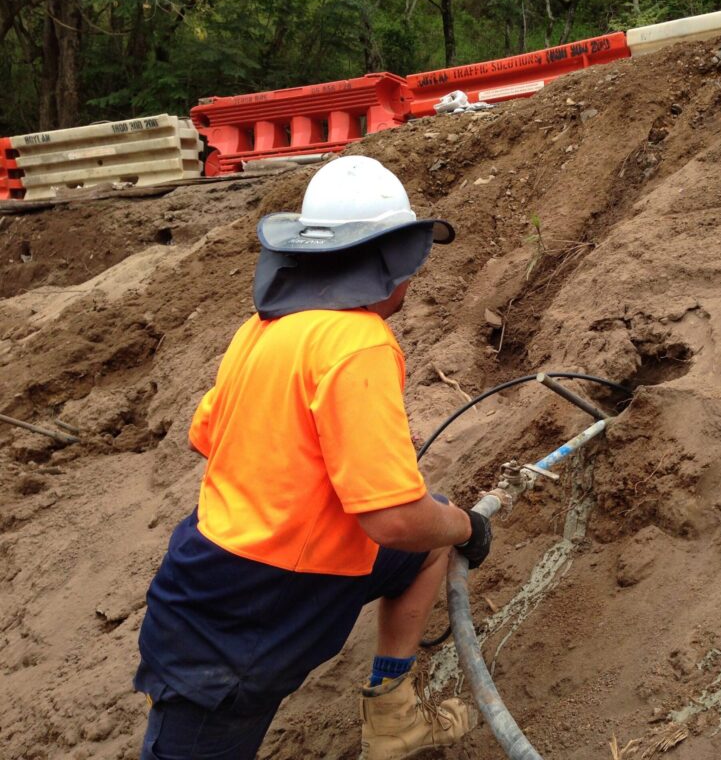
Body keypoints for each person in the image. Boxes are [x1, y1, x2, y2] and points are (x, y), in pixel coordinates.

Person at [134, 156, 492, 760]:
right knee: (435, 529)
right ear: (391, 261)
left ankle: (392, 721)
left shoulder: (264, 327)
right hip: (247, 608)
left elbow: (208, 433)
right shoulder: (358, 344)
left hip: (228, 561)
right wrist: (466, 524)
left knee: (429, 547)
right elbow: (394, 519)